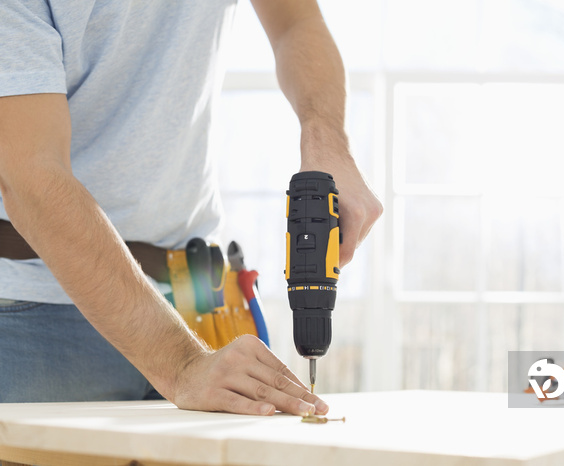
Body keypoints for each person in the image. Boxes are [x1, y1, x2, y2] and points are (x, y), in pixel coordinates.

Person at [0, 0, 382, 417]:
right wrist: (180, 363)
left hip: (200, 295)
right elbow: (31, 177)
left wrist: (326, 138)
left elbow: (296, 22)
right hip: (36, 312)